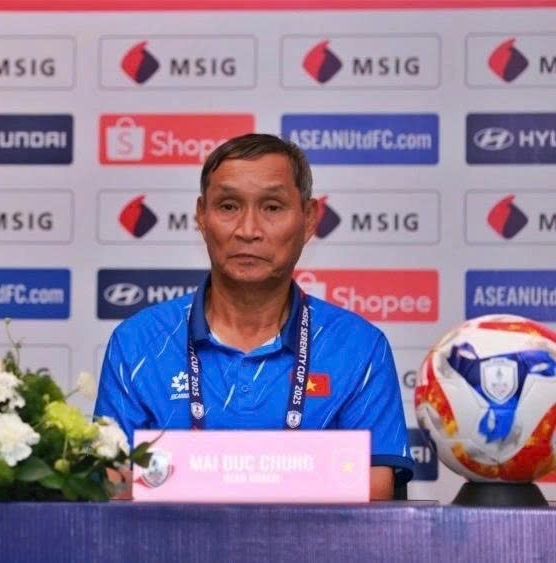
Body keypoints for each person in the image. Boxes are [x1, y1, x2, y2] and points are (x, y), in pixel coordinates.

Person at [94, 133, 413, 500]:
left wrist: (205, 478)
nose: (248, 230)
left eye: (272, 208)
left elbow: (376, 487)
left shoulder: (358, 347)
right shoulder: (138, 342)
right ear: (201, 216)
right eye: (228, 206)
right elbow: (110, 482)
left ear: (309, 219)